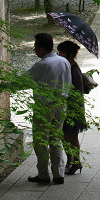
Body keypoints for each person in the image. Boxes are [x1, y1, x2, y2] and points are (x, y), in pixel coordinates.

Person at [25, 32, 71, 185]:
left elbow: (23, 81)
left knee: (41, 141)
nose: (34, 49)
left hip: (44, 107)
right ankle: (58, 174)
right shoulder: (64, 61)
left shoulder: (42, 65)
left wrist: (4, 86)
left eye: (35, 46)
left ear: (42, 48)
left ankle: (44, 174)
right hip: (61, 105)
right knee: (56, 139)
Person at [57, 40, 87, 175]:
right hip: (70, 107)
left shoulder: (73, 70)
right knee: (65, 135)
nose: (58, 55)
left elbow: (73, 92)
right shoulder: (70, 67)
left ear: (68, 54)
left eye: (61, 53)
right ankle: (71, 160)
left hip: (72, 108)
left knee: (71, 136)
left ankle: (76, 162)